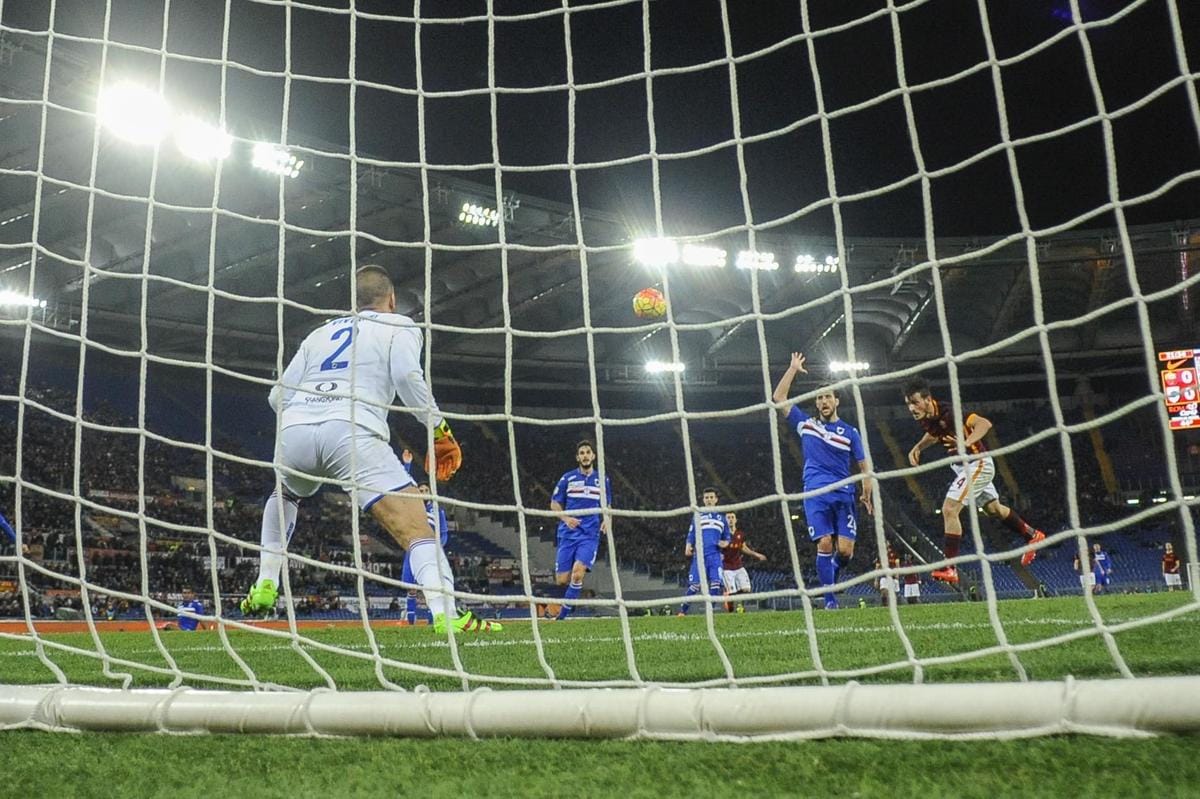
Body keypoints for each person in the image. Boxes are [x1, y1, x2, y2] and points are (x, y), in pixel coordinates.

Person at [240, 265, 500, 634]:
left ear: (354, 302)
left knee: (286, 492)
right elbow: (407, 377)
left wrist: (310, 415)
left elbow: (276, 397)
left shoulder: (319, 333)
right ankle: (447, 614)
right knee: (416, 529)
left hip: (295, 430)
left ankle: (266, 580)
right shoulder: (400, 326)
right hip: (352, 430)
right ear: (392, 300)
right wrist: (439, 429)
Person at [902, 378, 1047, 584]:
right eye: (908, 404)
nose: (911, 408)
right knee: (993, 509)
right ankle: (1032, 535)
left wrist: (967, 442)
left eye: (915, 402)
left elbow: (984, 423)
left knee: (949, 509)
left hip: (977, 463)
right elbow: (934, 434)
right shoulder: (926, 418)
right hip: (963, 468)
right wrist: (917, 447)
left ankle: (949, 567)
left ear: (927, 399)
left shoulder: (950, 412)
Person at [773, 352, 873, 610]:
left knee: (845, 552)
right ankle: (830, 600)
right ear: (816, 404)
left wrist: (866, 492)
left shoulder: (850, 432)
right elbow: (779, 398)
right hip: (815, 492)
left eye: (828, 396)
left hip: (844, 493)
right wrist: (793, 368)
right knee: (825, 542)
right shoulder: (806, 425)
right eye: (819, 398)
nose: (823, 401)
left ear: (836, 400)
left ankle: (831, 578)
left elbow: (864, 466)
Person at [548, 440, 612, 621]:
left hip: (589, 535)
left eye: (588, 452)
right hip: (567, 534)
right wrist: (566, 518)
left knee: (577, 573)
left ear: (593, 456)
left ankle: (562, 615)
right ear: (577, 457)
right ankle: (570, 601)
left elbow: (607, 505)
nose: (585, 456)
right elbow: (554, 504)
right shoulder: (567, 478)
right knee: (561, 580)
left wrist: (607, 519)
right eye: (582, 453)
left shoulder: (603, 480)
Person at [400, 448, 450, 625]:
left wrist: (437, 547)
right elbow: (403, 490)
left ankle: (433, 620)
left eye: (425, 490)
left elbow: (444, 534)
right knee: (411, 588)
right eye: (420, 490)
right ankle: (411, 621)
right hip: (413, 551)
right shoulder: (412, 507)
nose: (422, 492)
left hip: (431, 553)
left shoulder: (437, 511)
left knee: (433, 588)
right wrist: (407, 465)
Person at [679, 487, 732, 615]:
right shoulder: (698, 515)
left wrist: (725, 543)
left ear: (716, 499)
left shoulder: (722, 518)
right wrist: (688, 546)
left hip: (715, 556)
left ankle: (710, 611)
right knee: (694, 586)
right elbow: (691, 533)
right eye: (706, 497)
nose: (709, 500)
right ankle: (682, 612)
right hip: (700, 556)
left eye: (711, 497)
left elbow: (727, 537)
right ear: (703, 500)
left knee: (716, 583)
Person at [721, 512, 767, 612]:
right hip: (726, 567)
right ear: (725, 520)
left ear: (736, 520)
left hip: (738, 566)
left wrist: (757, 555)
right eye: (728, 518)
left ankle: (739, 606)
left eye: (732, 517)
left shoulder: (740, 534)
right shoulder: (721, 534)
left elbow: (743, 547)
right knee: (732, 593)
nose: (730, 519)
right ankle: (730, 603)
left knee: (746, 589)